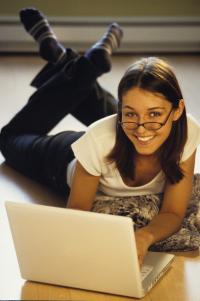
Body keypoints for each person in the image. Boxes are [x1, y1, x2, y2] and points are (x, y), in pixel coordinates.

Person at [0, 8, 200, 266]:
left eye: (155, 114)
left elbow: (173, 211)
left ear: (178, 111)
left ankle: (74, 63)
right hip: (63, 158)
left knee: (135, 120)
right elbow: (78, 216)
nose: (141, 128)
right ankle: (78, 64)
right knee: (9, 138)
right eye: (128, 113)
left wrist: (144, 236)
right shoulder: (99, 139)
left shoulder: (187, 131)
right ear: (120, 112)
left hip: (117, 133)